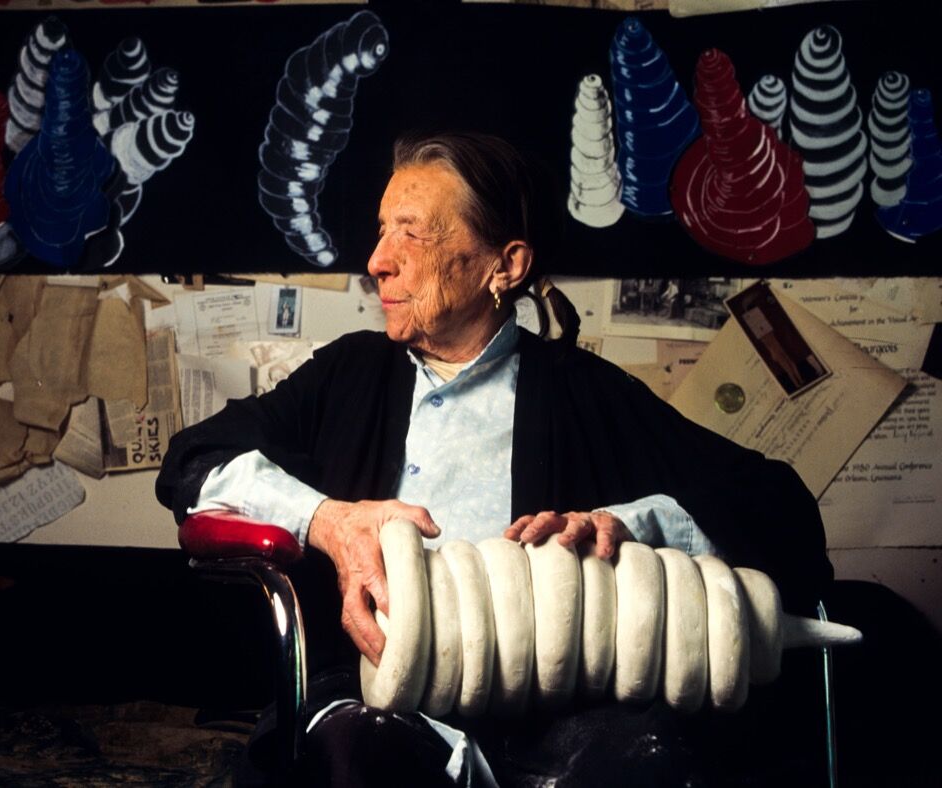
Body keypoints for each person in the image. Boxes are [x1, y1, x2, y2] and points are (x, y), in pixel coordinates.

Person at [157, 132, 832, 785]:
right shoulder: (347, 377)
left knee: (646, 760)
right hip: (373, 695)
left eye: (411, 232)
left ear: (503, 266)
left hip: (554, 711)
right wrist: (329, 520)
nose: (377, 260)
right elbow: (195, 460)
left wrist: (635, 523)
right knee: (354, 755)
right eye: (382, 228)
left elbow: (778, 505)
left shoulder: (584, 390)